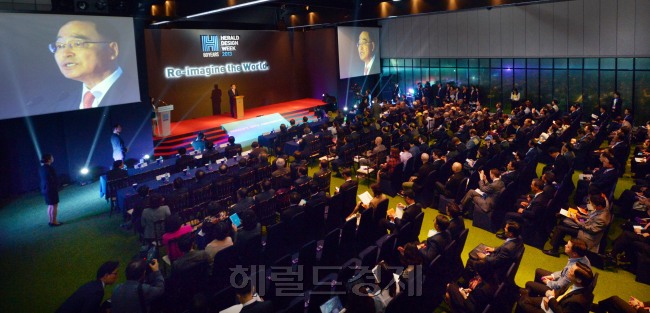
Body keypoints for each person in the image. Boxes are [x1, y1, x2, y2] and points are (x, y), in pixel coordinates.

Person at [50, 20, 134, 110]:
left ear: (112, 50)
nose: (65, 53)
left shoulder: (135, 91)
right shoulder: (63, 102)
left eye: (77, 44)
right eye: (59, 46)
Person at [516, 262, 594, 313]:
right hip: (554, 302)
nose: (568, 271)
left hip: (554, 309)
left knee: (523, 302)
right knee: (524, 299)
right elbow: (562, 291)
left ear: (579, 280)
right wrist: (551, 296)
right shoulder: (576, 284)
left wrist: (550, 298)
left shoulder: (577, 301)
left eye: (571, 271)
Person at [524, 238, 591, 297]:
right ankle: (537, 296)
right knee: (538, 271)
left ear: (574, 253)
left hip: (559, 292)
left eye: (568, 246)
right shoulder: (583, 258)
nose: (565, 245)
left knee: (529, 284)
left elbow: (559, 286)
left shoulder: (573, 269)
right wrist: (553, 276)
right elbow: (564, 271)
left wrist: (548, 282)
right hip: (563, 282)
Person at [40, 153, 62, 227]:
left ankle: (51, 221)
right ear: (49, 159)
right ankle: (54, 222)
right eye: (52, 157)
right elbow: (53, 179)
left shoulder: (41, 168)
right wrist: (58, 187)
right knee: (54, 205)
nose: (53, 158)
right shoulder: (49, 168)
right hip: (51, 189)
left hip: (45, 189)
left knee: (50, 206)